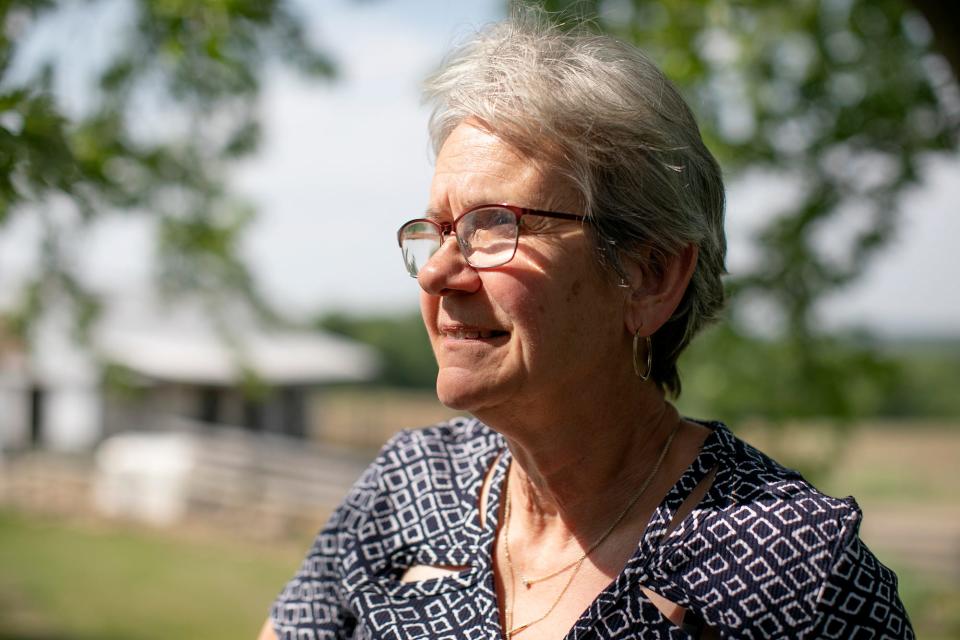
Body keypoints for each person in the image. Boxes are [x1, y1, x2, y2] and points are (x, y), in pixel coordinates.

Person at [260, 13, 913, 640]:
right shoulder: (409, 486)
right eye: (440, 232)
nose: (436, 274)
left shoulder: (791, 568)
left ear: (650, 275)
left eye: (495, 226)